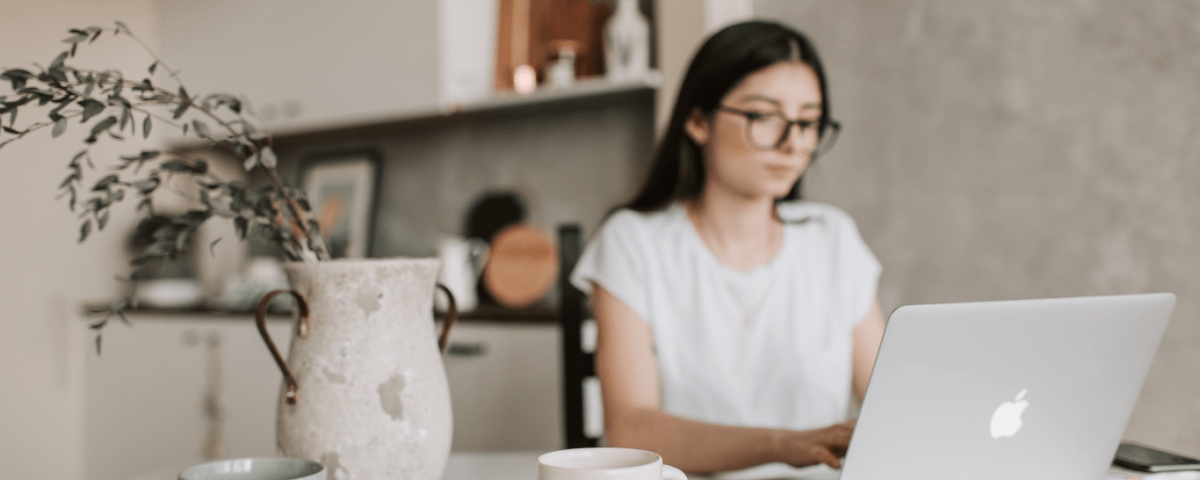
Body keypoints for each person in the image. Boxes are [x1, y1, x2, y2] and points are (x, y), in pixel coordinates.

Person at [569, 21, 885, 474]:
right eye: (765, 117)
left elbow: (888, 400)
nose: (794, 142)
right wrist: (784, 444)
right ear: (699, 121)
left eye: (809, 122)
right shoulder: (633, 244)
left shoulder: (832, 239)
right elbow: (632, 430)